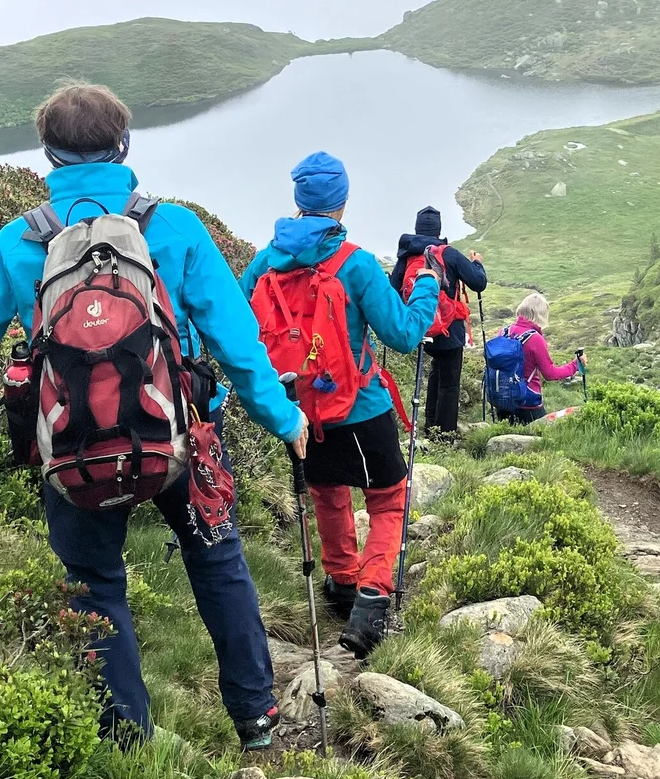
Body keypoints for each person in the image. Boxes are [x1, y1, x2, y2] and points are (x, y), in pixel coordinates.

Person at [0, 82, 305, 750]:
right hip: (182, 433)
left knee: (95, 581)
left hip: (73, 446)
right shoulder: (176, 227)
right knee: (215, 559)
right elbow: (238, 344)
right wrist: (283, 419)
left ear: (48, 155)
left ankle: (126, 738)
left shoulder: (23, 241)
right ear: (123, 145)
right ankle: (255, 718)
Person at [241, 152, 440, 658]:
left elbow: (239, 328)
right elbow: (403, 332)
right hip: (363, 409)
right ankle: (372, 601)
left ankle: (342, 582)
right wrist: (428, 286)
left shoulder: (264, 262)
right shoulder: (355, 262)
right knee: (389, 498)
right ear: (343, 203)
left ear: (298, 201)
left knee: (328, 495)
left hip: (302, 410)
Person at [389, 206, 487, 437]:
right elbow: (478, 283)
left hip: (421, 328)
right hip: (449, 329)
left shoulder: (407, 256)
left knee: (435, 371)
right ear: (439, 229)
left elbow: (392, 290)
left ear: (417, 227)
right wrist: (477, 264)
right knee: (449, 384)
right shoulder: (448, 254)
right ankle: (444, 435)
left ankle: (430, 425)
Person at [493, 291, 583, 424]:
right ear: (541, 315)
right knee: (541, 439)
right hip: (528, 403)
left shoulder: (503, 332)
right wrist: (576, 365)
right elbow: (550, 374)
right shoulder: (535, 339)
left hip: (502, 400)